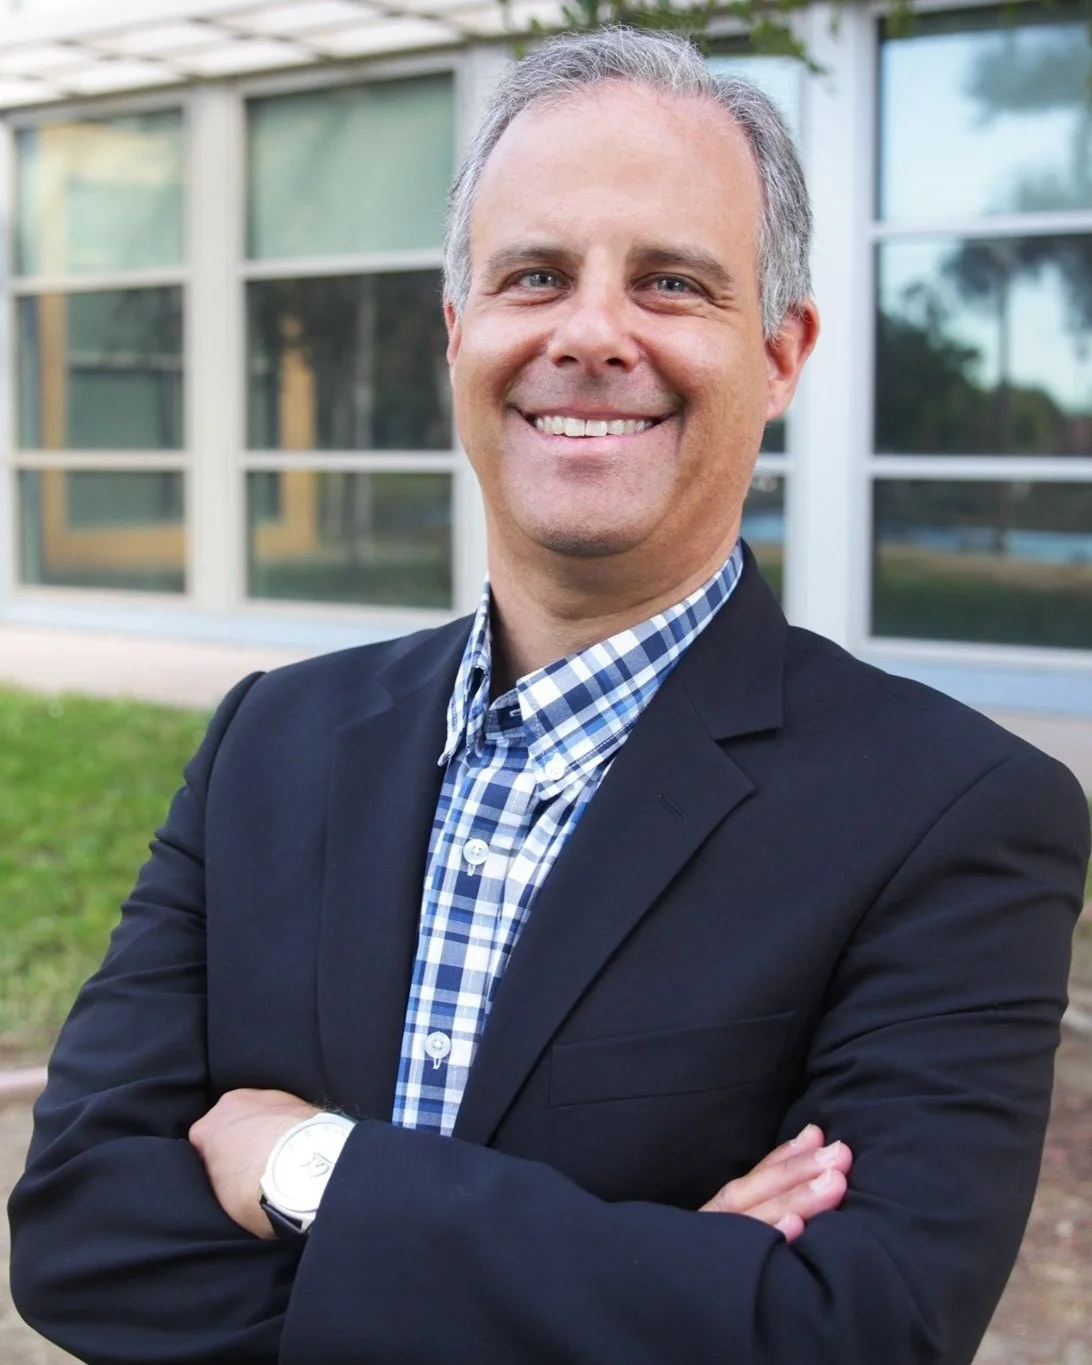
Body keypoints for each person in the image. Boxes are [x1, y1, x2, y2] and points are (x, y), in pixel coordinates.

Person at [9, 26, 1090, 1365]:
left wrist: (308, 1170)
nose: (590, 333)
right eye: (534, 275)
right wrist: (656, 1287)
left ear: (783, 353)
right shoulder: (266, 745)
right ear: (461, 334)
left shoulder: (956, 816)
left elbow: (856, 1332)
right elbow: (75, 1234)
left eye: (672, 282)